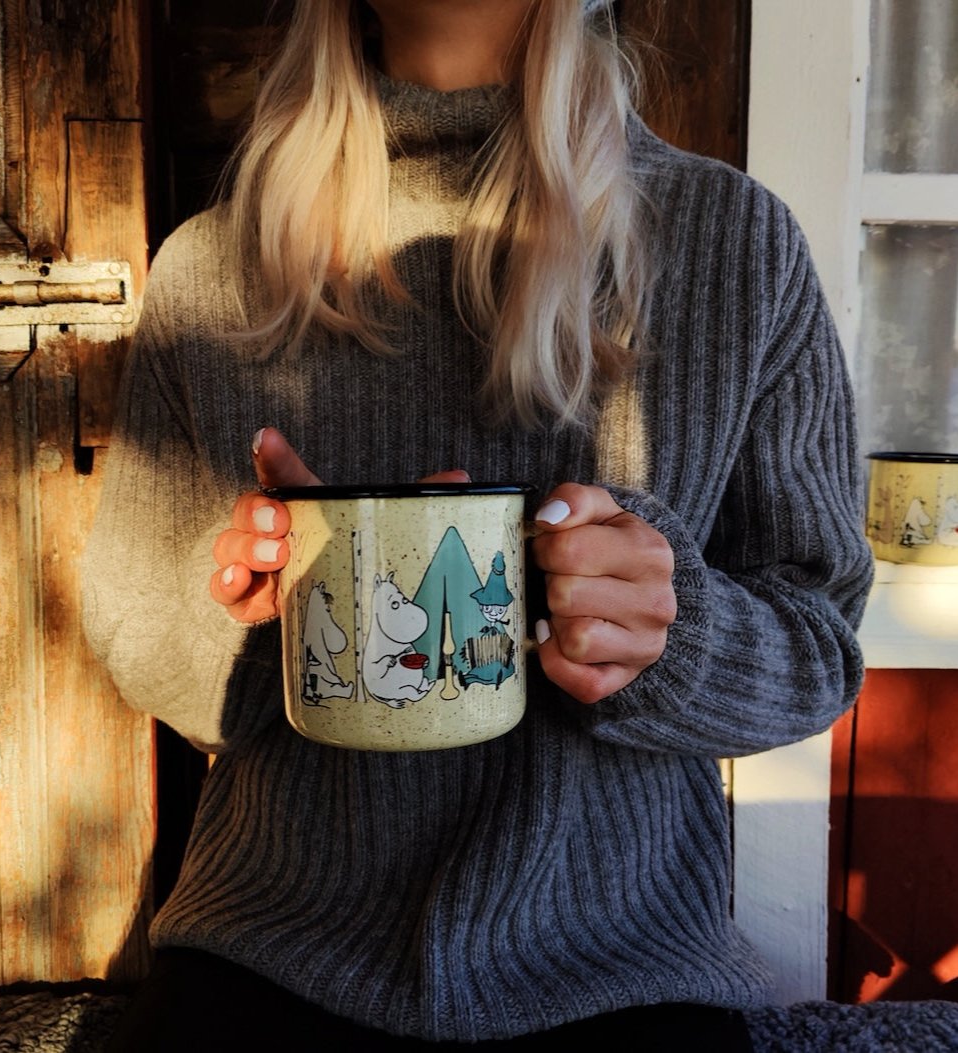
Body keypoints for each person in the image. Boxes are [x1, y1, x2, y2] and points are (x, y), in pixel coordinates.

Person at [81, 0, 874, 1048]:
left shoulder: (736, 245)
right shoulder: (210, 266)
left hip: (624, 962)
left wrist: (670, 635)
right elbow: (140, 640)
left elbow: (818, 645)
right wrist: (250, 615)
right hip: (271, 942)